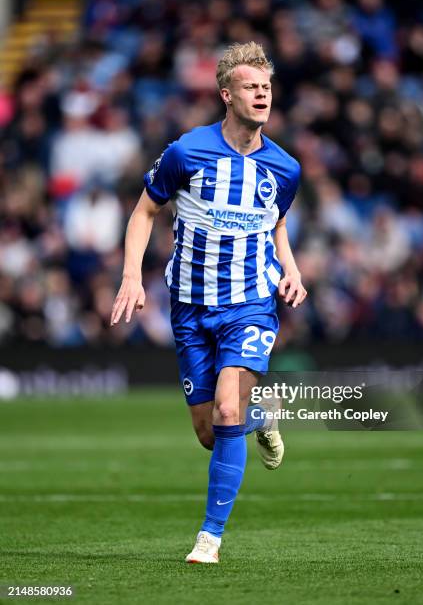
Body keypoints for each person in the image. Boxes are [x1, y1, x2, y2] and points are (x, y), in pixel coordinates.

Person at [110, 42, 307, 563]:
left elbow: (278, 222)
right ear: (226, 94)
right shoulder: (187, 151)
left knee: (225, 409)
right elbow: (144, 211)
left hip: (250, 304)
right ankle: (262, 415)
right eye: (250, 86)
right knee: (210, 432)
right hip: (189, 306)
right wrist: (132, 276)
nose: (262, 92)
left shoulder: (285, 167)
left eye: (266, 85)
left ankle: (210, 538)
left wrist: (290, 269)